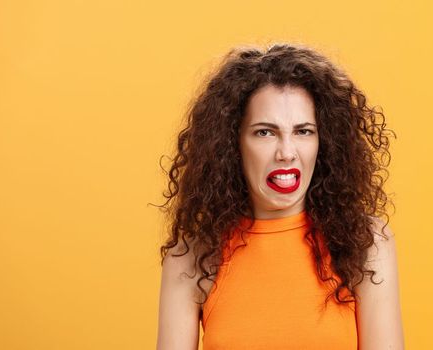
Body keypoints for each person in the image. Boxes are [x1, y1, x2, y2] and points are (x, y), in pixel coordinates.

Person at [154, 43, 403, 350]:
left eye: (304, 131)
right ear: (233, 144)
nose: (287, 153)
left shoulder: (365, 244)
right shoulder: (191, 259)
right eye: (265, 132)